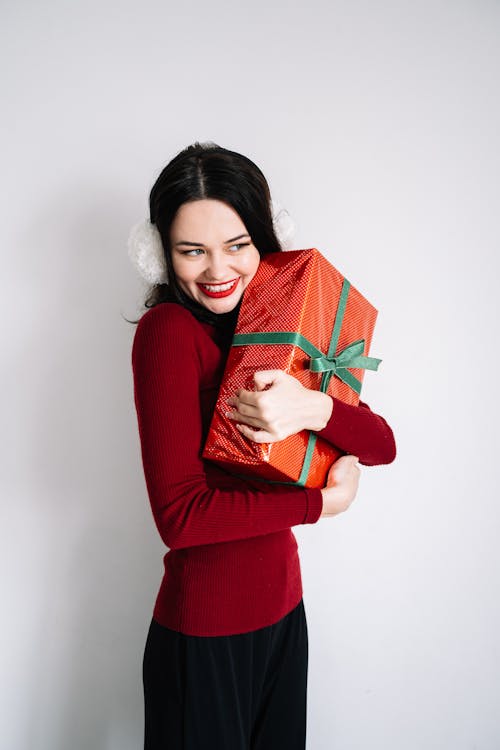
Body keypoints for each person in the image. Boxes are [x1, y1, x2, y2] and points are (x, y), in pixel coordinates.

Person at [128, 141, 396, 750]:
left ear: (265, 242)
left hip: (284, 615)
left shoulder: (281, 331)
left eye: (237, 246)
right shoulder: (169, 331)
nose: (216, 270)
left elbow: (381, 444)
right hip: (206, 633)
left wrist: (313, 406)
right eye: (190, 250)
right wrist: (315, 506)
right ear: (161, 254)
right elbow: (180, 517)